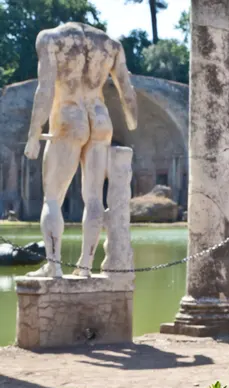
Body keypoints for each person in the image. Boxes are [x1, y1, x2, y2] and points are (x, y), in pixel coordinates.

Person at [23, 22, 137, 278]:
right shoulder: (110, 45)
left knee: (52, 198)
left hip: (68, 116)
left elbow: (45, 89)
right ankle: (85, 266)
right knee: (94, 198)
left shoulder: (51, 38)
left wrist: (33, 134)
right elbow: (126, 90)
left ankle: (54, 266)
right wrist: (132, 121)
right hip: (99, 117)